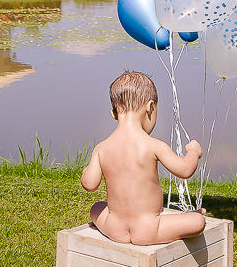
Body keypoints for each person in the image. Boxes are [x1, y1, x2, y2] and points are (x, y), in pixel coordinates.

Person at [82, 71, 207, 245]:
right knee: (198, 222)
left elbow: (89, 184)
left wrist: (86, 171)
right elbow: (185, 170)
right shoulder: (153, 145)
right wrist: (193, 151)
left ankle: (117, 226)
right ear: (150, 108)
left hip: (114, 227)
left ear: (113, 113)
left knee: (96, 208)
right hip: (148, 229)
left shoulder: (101, 148)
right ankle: (190, 218)